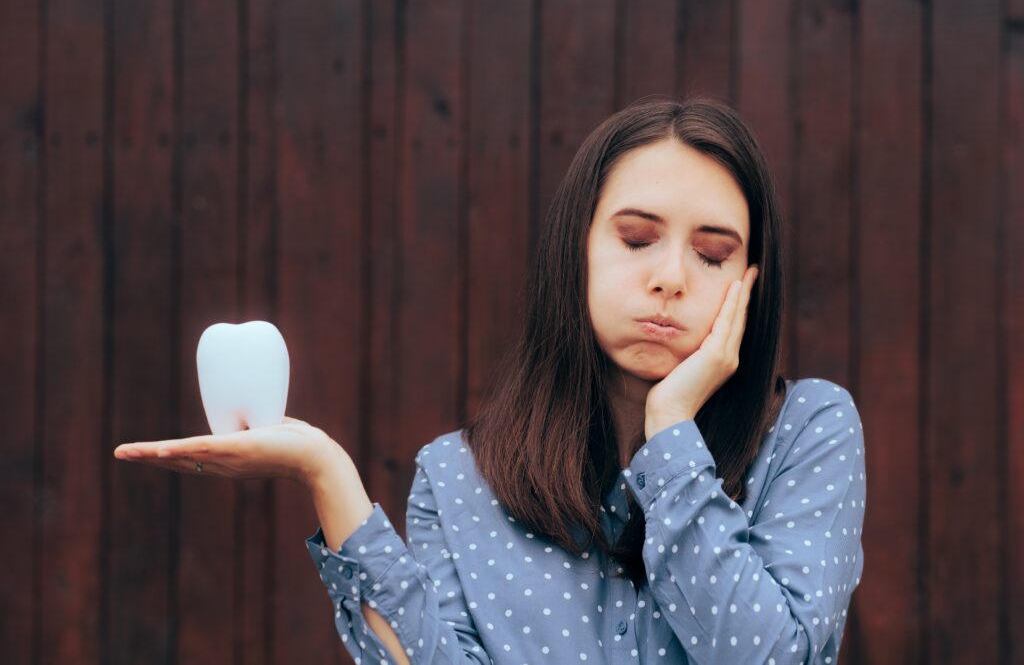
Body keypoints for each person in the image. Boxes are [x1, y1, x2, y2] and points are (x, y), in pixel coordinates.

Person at [115, 95, 867, 664]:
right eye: (636, 238)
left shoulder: (806, 433)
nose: (670, 277)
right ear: (576, 249)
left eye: (712, 254)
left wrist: (671, 433)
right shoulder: (461, 478)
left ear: (750, 282)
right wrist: (325, 469)